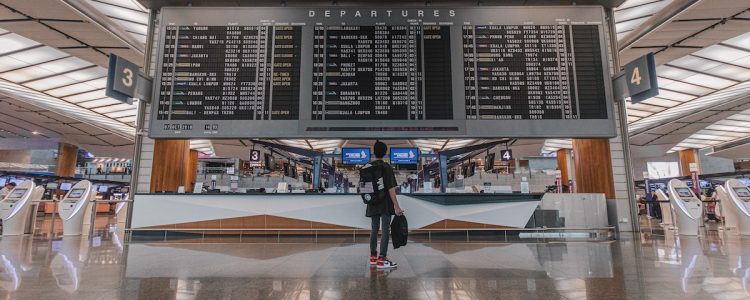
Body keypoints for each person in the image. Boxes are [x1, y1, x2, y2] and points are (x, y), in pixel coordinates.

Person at [365, 141, 404, 269]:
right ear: (385, 152)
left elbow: (365, 188)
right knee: (385, 230)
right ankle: (382, 259)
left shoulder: (367, 166)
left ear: (374, 152)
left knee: (374, 229)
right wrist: (396, 206)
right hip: (385, 203)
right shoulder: (386, 167)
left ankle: (373, 257)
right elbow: (391, 189)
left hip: (372, 202)